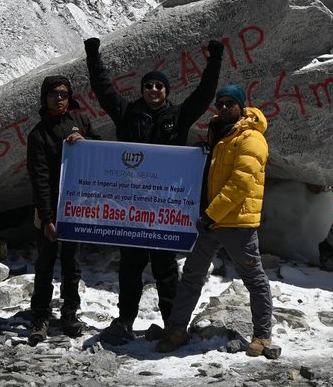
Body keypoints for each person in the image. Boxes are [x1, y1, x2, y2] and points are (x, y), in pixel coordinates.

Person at [85, 36, 224, 345]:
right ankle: (124, 321)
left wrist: (215, 57)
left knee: (165, 269)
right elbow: (103, 89)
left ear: (166, 91)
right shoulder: (126, 113)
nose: (153, 90)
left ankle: (173, 326)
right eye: (149, 86)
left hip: (165, 209)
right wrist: (92, 54)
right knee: (130, 268)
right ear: (143, 90)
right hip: (131, 208)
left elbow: (204, 94)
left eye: (159, 86)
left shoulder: (177, 118)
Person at [157, 84, 275, 357]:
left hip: (238, 224)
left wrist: (211, 214)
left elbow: (240, 184)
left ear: (241, 106)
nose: (222, 108)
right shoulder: (221, 133)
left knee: (254, 279)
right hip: (213, 221)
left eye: (228, 104)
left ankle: (262, 335)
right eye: (219, 104)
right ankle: (177, 330)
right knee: (192, 276)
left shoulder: (252, 139)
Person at [26, 75, 103, 343]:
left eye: (63, 93)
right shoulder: (38, 134)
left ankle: (69, 314)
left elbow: (100, 148)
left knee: (72, 265)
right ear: (44, 98)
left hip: (76, 206)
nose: (59, 98)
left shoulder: (80, 121)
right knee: (45, 265)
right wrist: (47, 219)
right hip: (48, 209)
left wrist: (84, 140)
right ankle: (40, 317)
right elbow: (40, 179)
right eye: (53, 94)